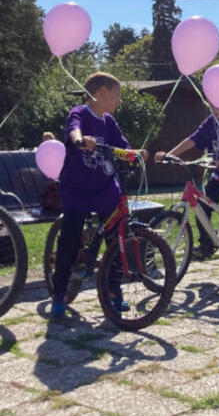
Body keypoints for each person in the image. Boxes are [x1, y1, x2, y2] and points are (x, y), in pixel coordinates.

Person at [50, 72, 149, 318]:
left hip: (105, 188)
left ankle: (112, 291)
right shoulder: (80, 113)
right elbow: (74, 131)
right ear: (102, 92)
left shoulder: (109, 122)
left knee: (116, 240)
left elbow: (122, 147)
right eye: (117, 95)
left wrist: (134, 153)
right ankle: (59, 294)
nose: (119, 101)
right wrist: (79, 140)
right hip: (78, 188)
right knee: (70, 237)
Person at [155, 93, 219, 285]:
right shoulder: (209, 122)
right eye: (212, 104)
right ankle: (206, 246)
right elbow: (193, 139)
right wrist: (169, 155)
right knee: (202, 206)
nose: (216, 108)